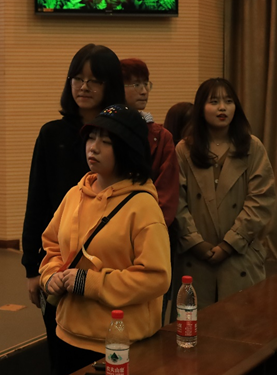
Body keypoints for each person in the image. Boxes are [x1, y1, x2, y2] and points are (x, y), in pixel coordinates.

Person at [40, 105, 171, 375]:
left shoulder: (143, 206)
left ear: (128, 149)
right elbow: (52, 245)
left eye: (106, 142)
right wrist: (50, 275)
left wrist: (91, 283)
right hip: (66, 332)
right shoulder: (75, 194)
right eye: (91, 138)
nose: (94, 148)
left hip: (119, 341)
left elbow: (156, 277)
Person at [21, 44, 125, 374]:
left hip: (110, 268)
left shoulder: (126, 136)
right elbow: (37, 202)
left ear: (110, 85)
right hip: (59, 264)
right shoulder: (52, 134)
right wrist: (32, 268)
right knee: (63, 358)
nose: (84, 87)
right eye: (77, 78)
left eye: (94, 80)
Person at [173, 78, 275, 312]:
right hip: (195, 259)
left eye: (228, 101)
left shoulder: (252, 147)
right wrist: (196, 243)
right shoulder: (184, 149)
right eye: (214, 102)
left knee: (242, 325)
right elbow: (176, 201)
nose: (222, 108)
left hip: (240, 256)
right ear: (201, 108)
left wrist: (230, 244)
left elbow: (261, 200)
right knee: (195, 326)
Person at [120, 58, 179, 227]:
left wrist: (150, 227)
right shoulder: (102, 131)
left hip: (149, 225)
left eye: (146, 84)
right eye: (136, 85)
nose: (144, 91)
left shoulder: (161, 137)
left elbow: (167, 192)